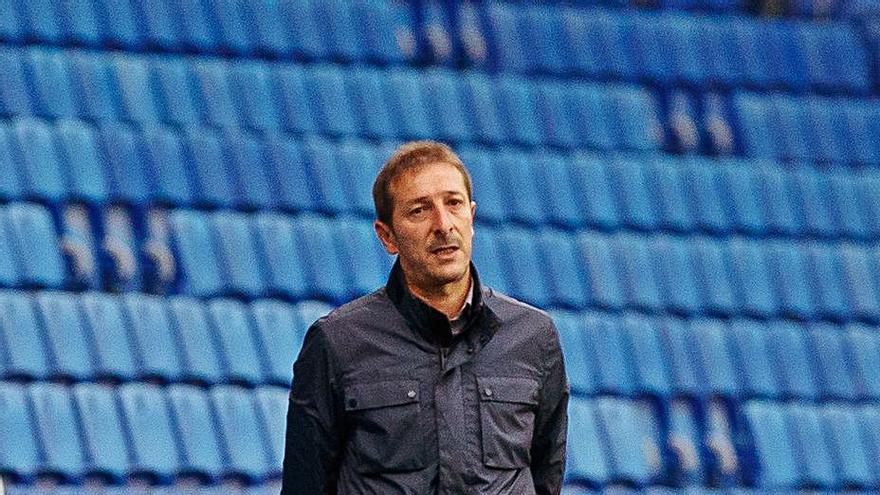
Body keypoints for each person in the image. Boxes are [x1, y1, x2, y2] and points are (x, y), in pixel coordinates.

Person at [281, 141, 569, 495]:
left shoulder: (534, 336)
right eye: (419, 210)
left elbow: (546, 476)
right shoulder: (337, 342)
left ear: (472, 217)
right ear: (387, 236)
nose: (443, 224)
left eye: (454, 203)